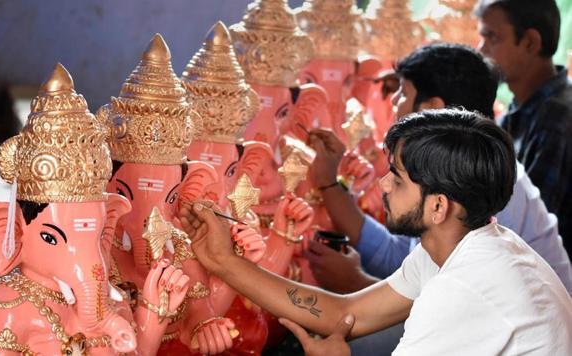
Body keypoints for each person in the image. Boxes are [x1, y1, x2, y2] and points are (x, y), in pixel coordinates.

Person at [180, 109, 572, 356]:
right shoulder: (462, 243)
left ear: (438, 206)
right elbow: (343, 312)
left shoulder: (464, 288)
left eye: (397, 180)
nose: (382, 185)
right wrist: (223, 261)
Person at [308, 43, 572, 296]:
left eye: (403, 92)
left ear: (431, 108)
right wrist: (329, 184)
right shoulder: (455, 166)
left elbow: (451, 312)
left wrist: (355, 283)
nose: (394, 102)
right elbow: (401, 255)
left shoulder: (480, 181)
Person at [476, 0, 572, 252]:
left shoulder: (558, 118)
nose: (481, 50)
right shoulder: (520, 108)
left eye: (492, 38)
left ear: (530, 42)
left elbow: (526, 232)